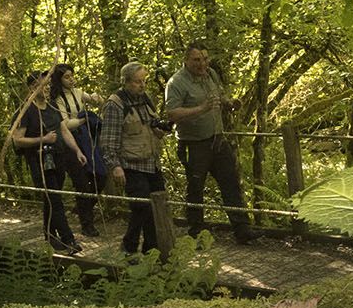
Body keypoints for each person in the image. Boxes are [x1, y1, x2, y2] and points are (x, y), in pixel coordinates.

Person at [164, 42, 256, 244]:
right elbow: (172, 113)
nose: (202, 63)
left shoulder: (211, 74)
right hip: (193, 144)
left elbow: (219, 95)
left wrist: (229, 103)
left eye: (205, 59)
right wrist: (201, 109)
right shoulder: (176, 83)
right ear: (186, 60)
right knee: (196, 187)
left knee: (231, 182)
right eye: (197, 60)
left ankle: (242, 228)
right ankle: (196, 232)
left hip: (218, 139)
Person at [100, 62, 171, 257]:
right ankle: (129, 247)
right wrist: (115, 166)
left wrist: (159, 130)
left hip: (152, 162)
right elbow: (108, 141)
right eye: (138, 82)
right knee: (141, 206)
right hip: (131, 164)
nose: (142, 85)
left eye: (144, 81)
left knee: (157, 208)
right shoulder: (115, 105)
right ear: (126, 82)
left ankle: (152, 251)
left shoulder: (145, 99)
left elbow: (152, 126)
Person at [8, 72, 82, 255]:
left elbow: (64, 130)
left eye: (48, 85)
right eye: (44, 85)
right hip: (39, 161)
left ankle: (49, 234)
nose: (48, 88)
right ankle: (69, 240)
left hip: (58, 158)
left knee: (51, 199)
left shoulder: (52, 106)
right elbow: (17, 140)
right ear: (33, 88)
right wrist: (43, 139)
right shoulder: (25, 111)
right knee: (55, 200)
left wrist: (77, 150)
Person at [49, 62, 105, 237]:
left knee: (100, 176)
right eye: (67, 77)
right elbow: (64, 123)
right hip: (69, 143)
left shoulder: (79, 93)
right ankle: (87, 223)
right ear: (59, 79)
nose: (71, 79)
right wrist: (83, 119)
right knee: (82, 183)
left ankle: (83, 209)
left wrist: (97, 98)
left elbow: (96, 100)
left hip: (87, 140)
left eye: (72, 76)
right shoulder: (56, 99)